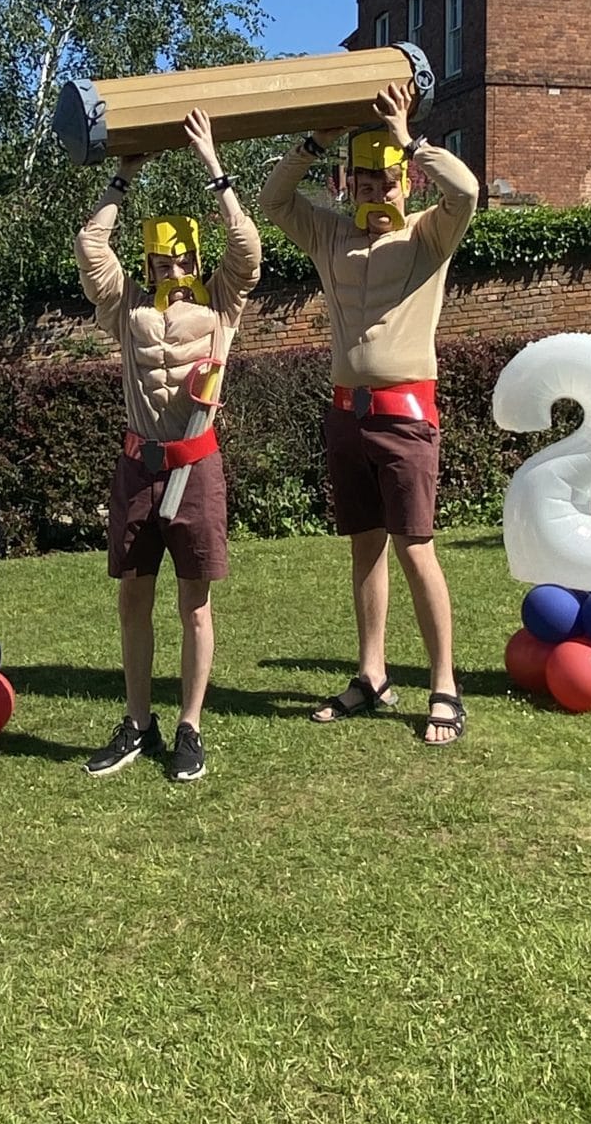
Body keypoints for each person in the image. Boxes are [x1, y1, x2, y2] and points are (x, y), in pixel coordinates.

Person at [260, 81, 479, 744]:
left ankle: (444, 685)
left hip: (404, 416)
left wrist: (410, 139)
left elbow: (467, 192)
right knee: (364, 548)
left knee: (416, 548)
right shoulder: (330, 233)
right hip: (345, 416)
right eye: (364, 180)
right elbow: (273, 201)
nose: (376, 190)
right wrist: (314, 141)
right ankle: (372, 674)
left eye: (387, 180)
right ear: (347, 183)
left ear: (406, 182)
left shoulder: (428, 235)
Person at [73, 107, 260, 783]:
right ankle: (137, 721)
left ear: (195, 257)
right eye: (162, 257)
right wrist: (123, 176)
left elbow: (247, 247)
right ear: (149, 258)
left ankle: (190, 726)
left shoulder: (220, 303)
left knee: (195, 604)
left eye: (182, 256)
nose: (173, 265)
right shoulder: (127, 306)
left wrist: (213, 166)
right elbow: (90, 246)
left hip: (194, 465)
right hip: (137, 466)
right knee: (133, 599)